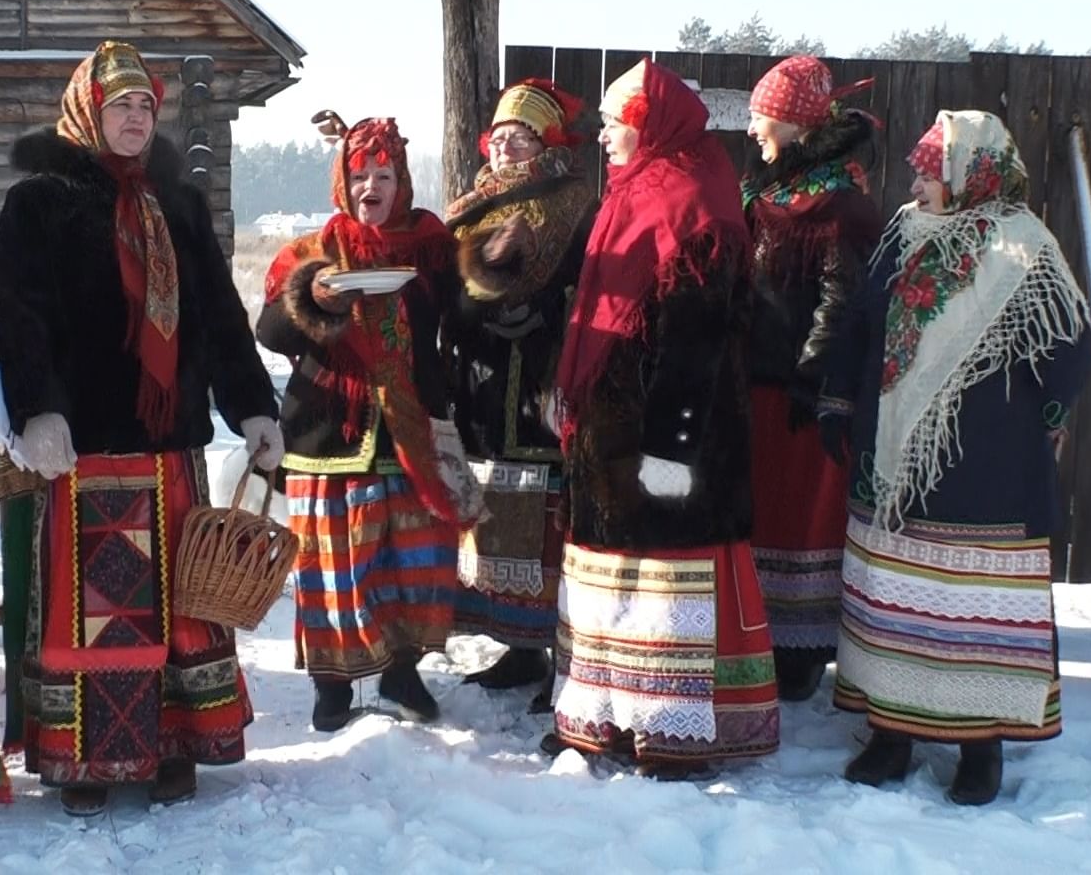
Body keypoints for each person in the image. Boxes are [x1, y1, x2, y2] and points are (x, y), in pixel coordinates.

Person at [0, 41, 281, 818]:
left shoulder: (176, 204)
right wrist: (38, 409)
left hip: (169, 448)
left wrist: (253, 406)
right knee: (94, 607)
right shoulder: (39, 202)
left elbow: (221, 317)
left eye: (144, 106)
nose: (133, 118)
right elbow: (22, 317)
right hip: (86, 443)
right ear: (89, 110)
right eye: (119, 105)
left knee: (175, 606)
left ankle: (172, 744)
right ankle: (82, 753)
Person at [825, 110, 1091, 806]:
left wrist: (1049, 419)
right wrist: (836, 399)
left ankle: (982, 748)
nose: (914, 178)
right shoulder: (902, 235)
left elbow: (1067, 349)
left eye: (928, 168)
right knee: (892, 595)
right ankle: (891, 734)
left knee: (968, 604)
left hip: (986, 467)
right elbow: (859, 322)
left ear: (971, 174)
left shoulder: (1024, 247)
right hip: (895, 464)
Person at [547, 59, 779, 779]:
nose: (607, 136)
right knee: (612, 582)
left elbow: (699, 341)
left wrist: (670, 448)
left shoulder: (694, 202)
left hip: (669, 438)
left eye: (620, 122)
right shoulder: (633, 191)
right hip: (612, 433)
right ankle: (604, 719)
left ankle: (670, 736)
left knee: (663, 587)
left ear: (654, 124)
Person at [257, 114, 462, 733]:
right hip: (328, 429)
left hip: (409, 431)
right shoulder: (314, 252)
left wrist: (494, 274)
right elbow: (269, 331)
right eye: (359, 174)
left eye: (384, 174)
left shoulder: (429, 246)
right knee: (332, 563)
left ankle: (401, 671)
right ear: (342, 183)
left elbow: (464, 317)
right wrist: (315, 298)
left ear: (402, 182)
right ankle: (332, 682)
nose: (371, 185)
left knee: (409, 559)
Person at [443, 79, 598, 711]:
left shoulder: (573, 202)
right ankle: (518, 645)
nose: (506, 148)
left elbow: (591, 283)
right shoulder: (471, 206)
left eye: (521, 137)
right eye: (500, 137)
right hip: (482, 375)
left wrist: (543, 316)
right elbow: (443, 280)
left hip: (541, 377)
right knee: (498, 510)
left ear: (546, 142)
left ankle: (562, 650)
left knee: (546, 517)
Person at [740, 56, 884, 702]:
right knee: (766, 515)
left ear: (796, 123)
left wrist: (811, 375)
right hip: (760, 379)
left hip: (804, 391)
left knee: (802, 520)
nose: (751, 130)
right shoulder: (767, 192)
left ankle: (803, 649)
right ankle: (767, 635)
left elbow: (842, 294)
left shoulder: (838, 203)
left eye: (761, 116)